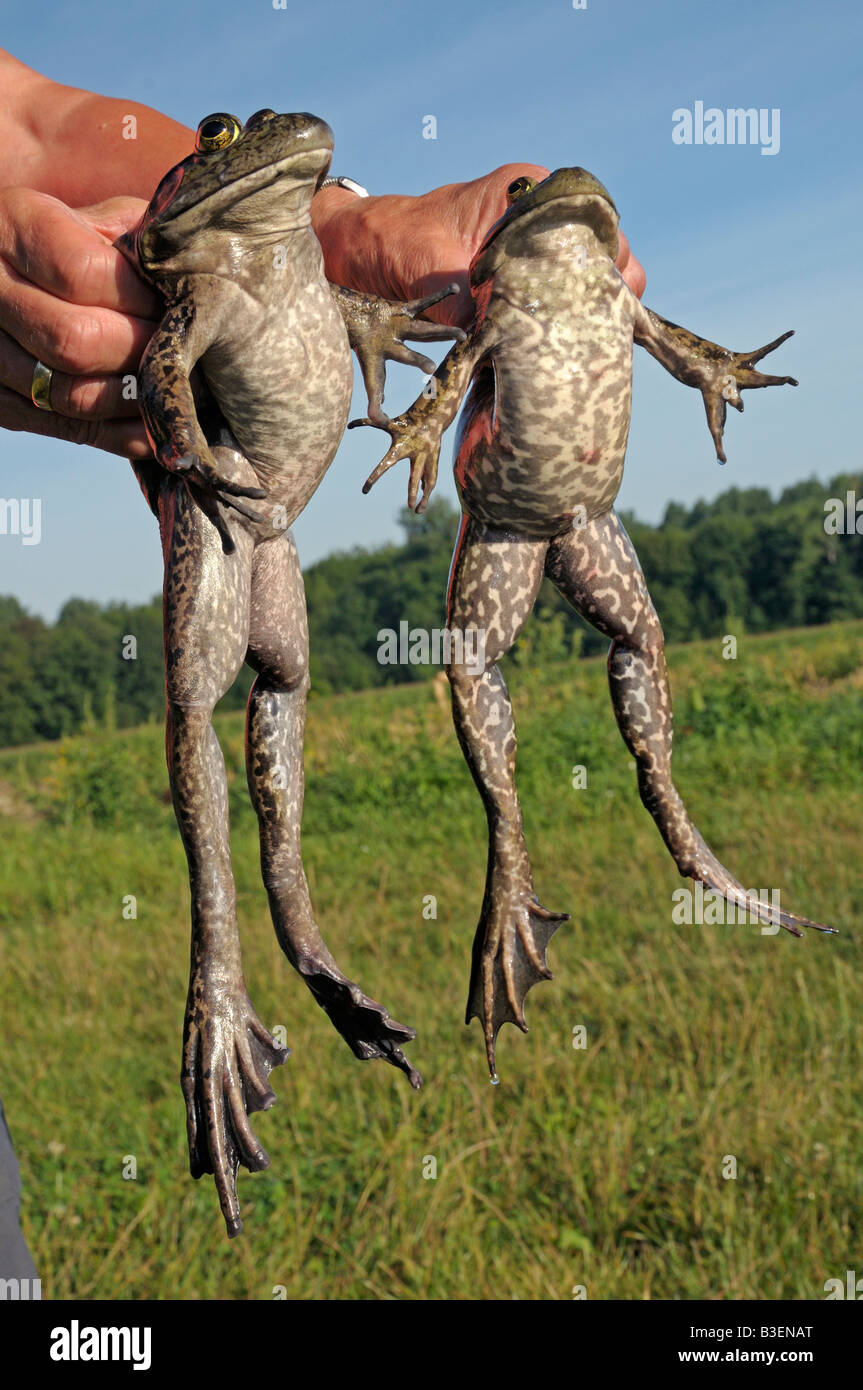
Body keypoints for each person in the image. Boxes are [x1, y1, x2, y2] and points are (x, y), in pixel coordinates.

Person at [0, 47, 646, 1254]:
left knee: (284, 698)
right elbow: (172, 375)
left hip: (275, 536)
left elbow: (34, 123)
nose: (263, 148)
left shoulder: (286, 235)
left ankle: (301, 933)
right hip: (227, 506)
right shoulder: (195, 282)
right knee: (195, 716)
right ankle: (220, 981)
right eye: (224, 136)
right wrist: (187, 457)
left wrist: (370, 250)